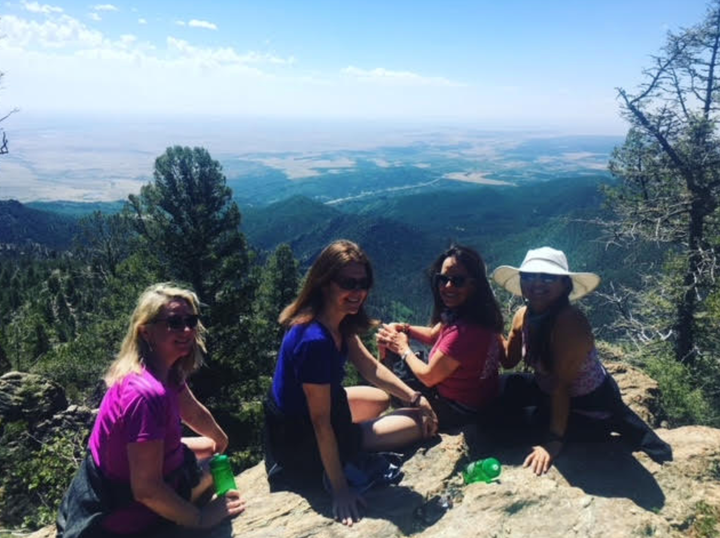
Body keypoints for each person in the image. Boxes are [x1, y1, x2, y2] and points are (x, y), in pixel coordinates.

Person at [264, 239, 438, 527]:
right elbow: (321, 423)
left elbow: (369, 367)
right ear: (325, 282)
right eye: (348, 283)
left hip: (300, 415)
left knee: (380, 400)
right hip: (300, 438)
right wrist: (341, 488)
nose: (358, 291)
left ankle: (358, 434)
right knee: (421, 426)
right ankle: (348, 447)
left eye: (363, 282)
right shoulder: (314, 341)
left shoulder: (337, 319)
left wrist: (415, 398)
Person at [57, 283, 245, 538]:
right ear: (146, 332)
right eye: (174, 323)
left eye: (191, 320)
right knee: (213, 467)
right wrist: (200, 519)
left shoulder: (161, 370)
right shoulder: (146, 394)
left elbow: (193, 412)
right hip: (121, 511)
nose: (187, 329)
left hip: (106, 483)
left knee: (212, 448)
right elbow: (146, 490)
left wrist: (221, 441)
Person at [491, 247, 672, 475]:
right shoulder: (523, 315)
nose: (536, 283)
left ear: (564, 285)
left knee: (506, 426)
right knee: (496, 389)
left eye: (547, 277)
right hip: (548, 389)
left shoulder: (570, 323)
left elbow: (561, 387)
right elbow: (509, 361)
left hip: (587, 407)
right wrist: (490, 327)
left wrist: (554, 441)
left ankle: (585, 432)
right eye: (528, 276)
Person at [376, 245, 504, 429]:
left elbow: (428, 377)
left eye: (458, 280)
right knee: (402, 345)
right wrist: (405, 329)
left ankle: (391, 398)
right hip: (474, 396)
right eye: (443, 279)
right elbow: (432, 335)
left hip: (459, 409)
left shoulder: (466, 331)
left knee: (397, 354)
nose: (447, 286)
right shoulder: (471, 313)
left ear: (474, 284)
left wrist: (402, 348)